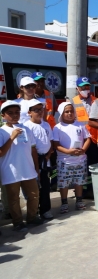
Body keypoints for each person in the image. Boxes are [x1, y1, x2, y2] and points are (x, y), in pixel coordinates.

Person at [0, 101, 41, 231]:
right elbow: (1, 153)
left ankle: (31, 218)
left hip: (28, 169)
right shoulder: (1, 131)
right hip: (11, 171)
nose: (14, 115)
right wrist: (12, 137)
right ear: (3, 116)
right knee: (13, 198)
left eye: (17, 112)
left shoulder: (26, 129)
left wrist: (36, 167)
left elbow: (33, 149)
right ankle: (17, 222)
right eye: (10, 113)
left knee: (34, 195)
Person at [53, 102, 91, 214]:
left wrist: (83, 150)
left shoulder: (80, 125)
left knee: (79, 181)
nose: (70, 113)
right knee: (63, 183)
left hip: (80, 159)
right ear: (61, 113)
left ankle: (79, 200)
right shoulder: (57, 128)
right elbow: (56, 145)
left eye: (71, 111)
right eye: (66, 112)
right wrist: (68, 152)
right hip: (64, 161)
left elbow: (88, 139)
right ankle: (64, 202)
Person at [24, 99, 54, 220]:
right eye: (36, 110)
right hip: (33, 161)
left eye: (41, 109)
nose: (39, 112)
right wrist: (36, 165)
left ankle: (45, 210)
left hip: (45, 160)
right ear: (29, 112)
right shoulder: (27, 127)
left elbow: (50, 141)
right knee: (34, 188)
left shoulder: (46, 125)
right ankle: (34, 211)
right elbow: (30, 148)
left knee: (45, 186)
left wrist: (48, 155)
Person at [71, 76, 98, 186]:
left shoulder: (96, 100)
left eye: (87, 86)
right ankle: (83, 187)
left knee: (94, 162)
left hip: (94, 137)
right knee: (81, 163)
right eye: (82, 87)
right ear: (77, 88)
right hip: (81, 138)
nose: (85, 89)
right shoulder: (73, 102)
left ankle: (92, 186)